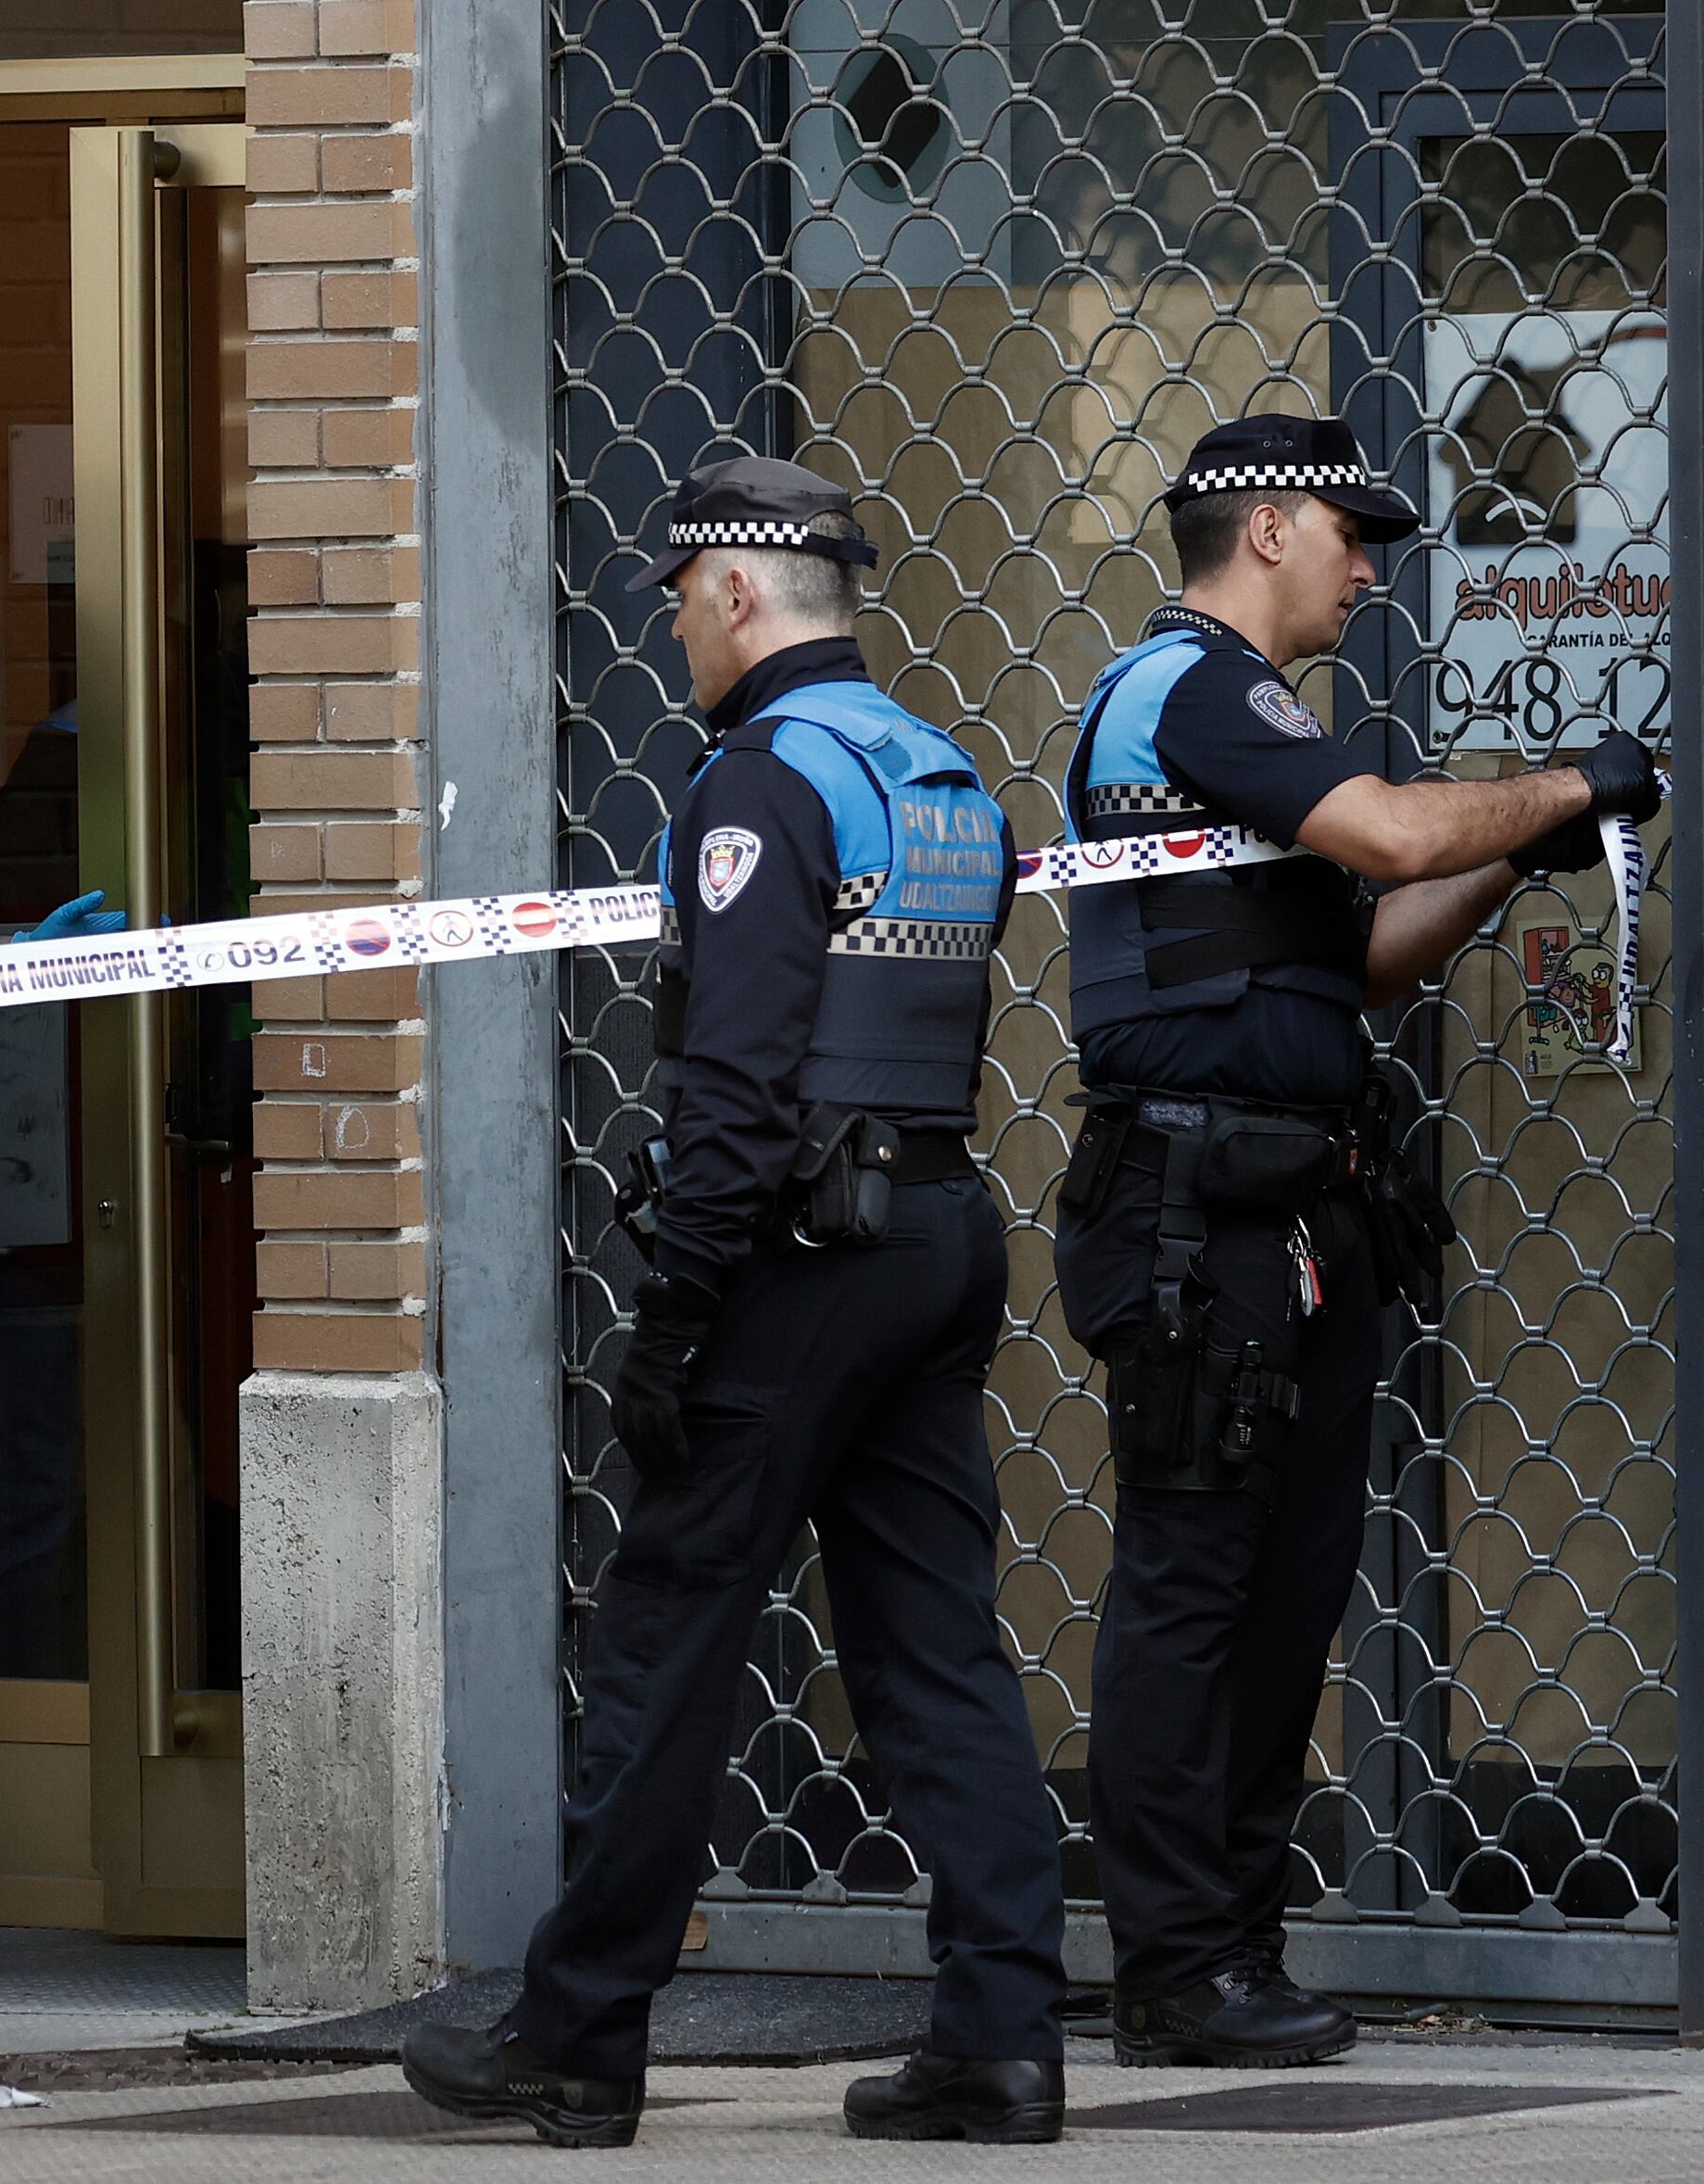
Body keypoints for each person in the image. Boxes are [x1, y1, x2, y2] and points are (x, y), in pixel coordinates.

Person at [401, 457, 1069, 2148]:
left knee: (663, 1642)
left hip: (799, 1261)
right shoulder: (939, 776)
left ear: (734, 593)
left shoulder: (758, 786)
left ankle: (577, 2035)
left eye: (683, 600)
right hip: (931, 1230)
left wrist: (675, 1316)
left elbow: (736, 1087)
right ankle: (1002, 2037)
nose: (679, 635)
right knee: (935, 1656)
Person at [1054, 414, 1660, 2065]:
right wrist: (1563, 783)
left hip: (1287, 1211)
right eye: (1350, 531)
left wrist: (1513, 853)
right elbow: (1391, 831)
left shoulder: (1242, 720)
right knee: (1197, 1592)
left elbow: (1366, 950)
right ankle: (1175, 1967)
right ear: (1262, 530)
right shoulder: (1189, 686)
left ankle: (1228, 1952)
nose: (1369, 565)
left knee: (1278, 1591)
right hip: (1199, 1214)